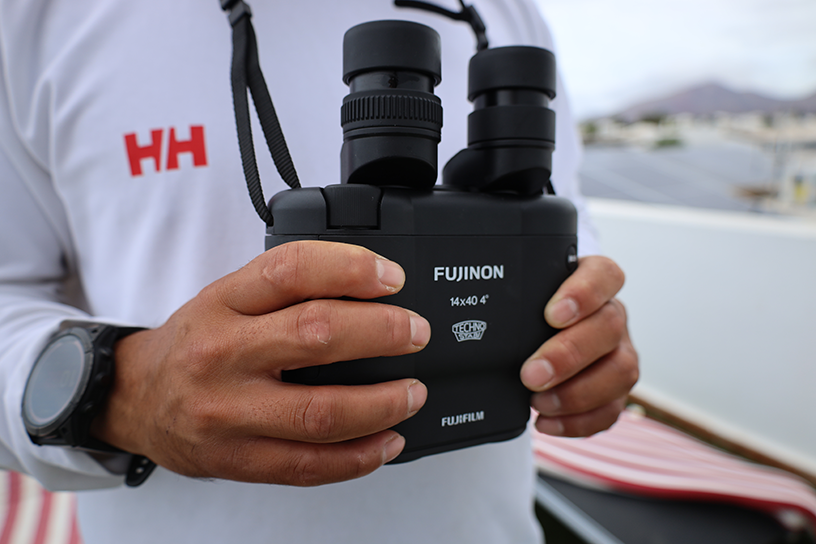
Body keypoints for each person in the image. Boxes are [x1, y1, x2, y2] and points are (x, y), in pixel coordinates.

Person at [0, 0, 637, 542]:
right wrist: (126, 393)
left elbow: (569, 234)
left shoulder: (506, 11)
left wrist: (588, 334)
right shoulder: (43, 17)